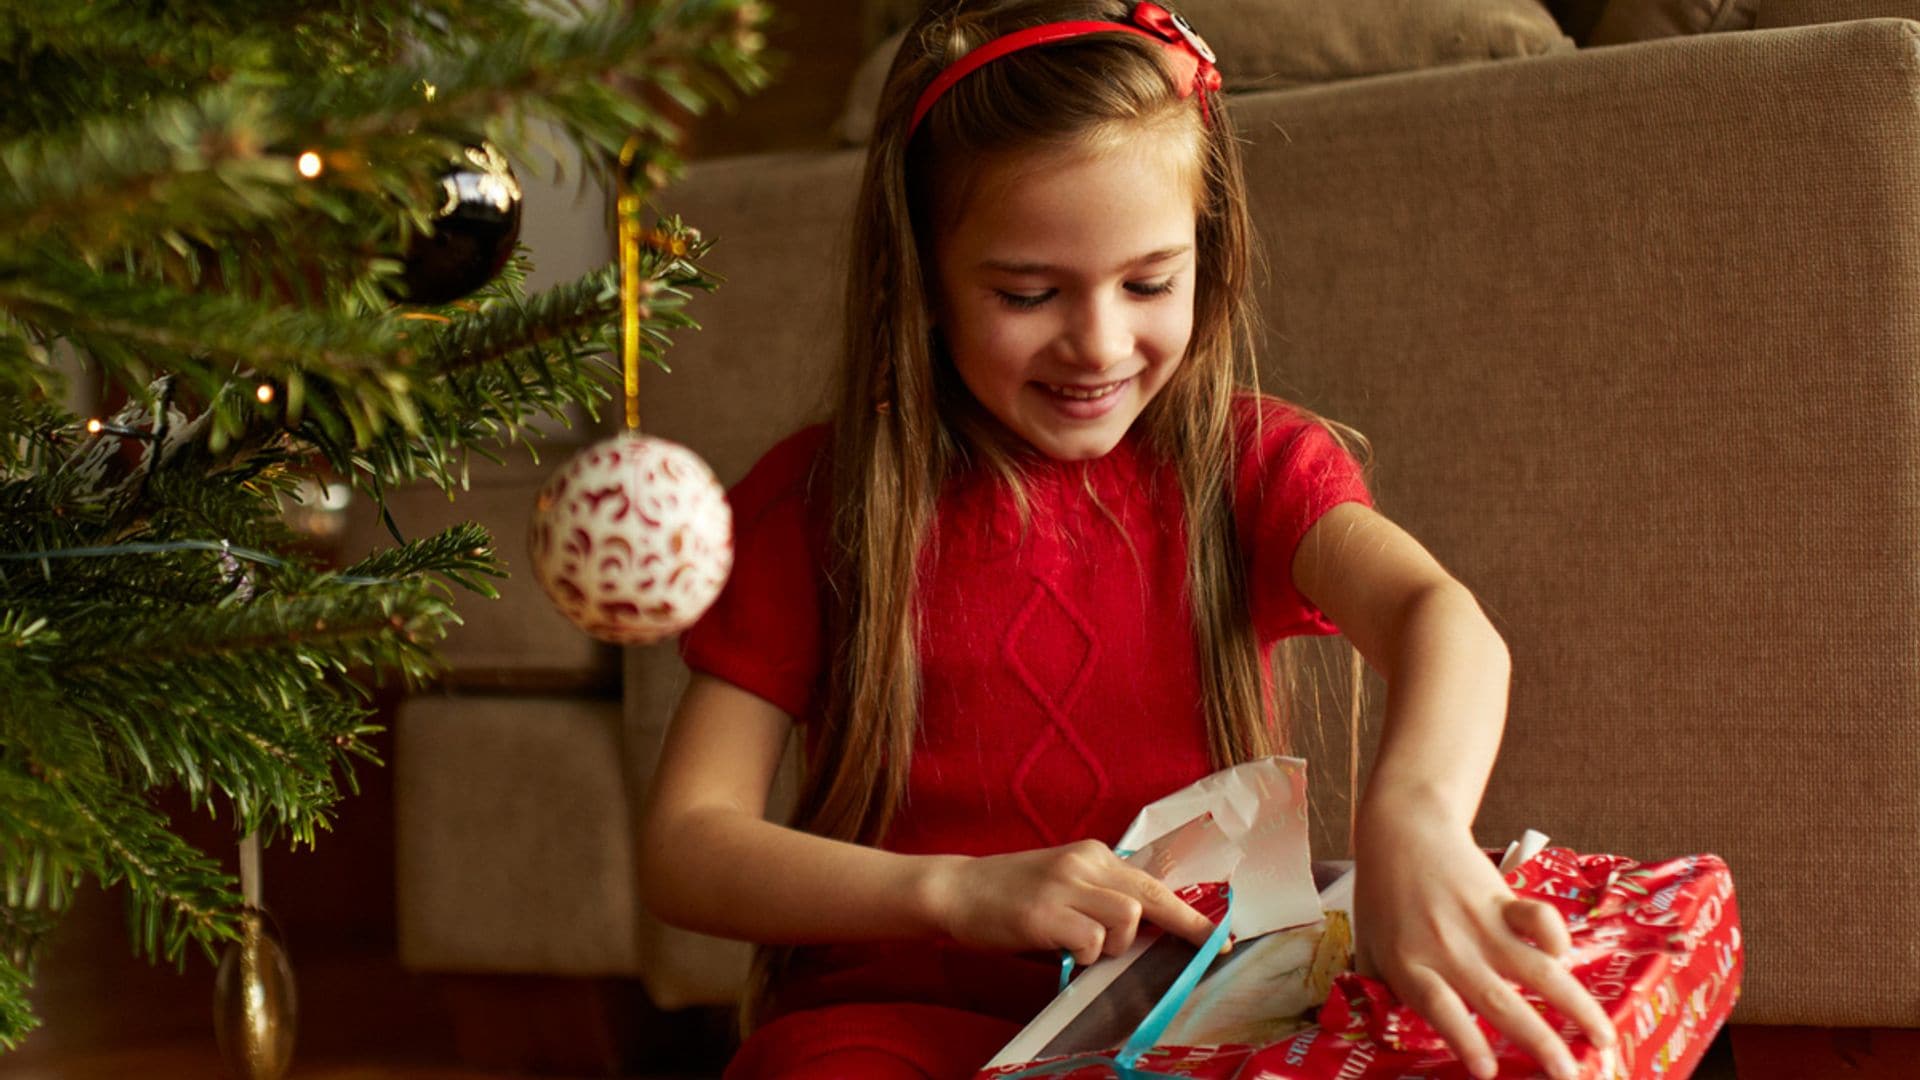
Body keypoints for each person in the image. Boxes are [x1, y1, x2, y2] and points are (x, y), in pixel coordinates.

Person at [637, 2, 1616, 1078]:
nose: (1098, 342)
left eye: (1149, 283)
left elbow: (1443, 619)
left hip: (1195, 1032)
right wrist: (961, 891)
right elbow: (689, 845)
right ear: (921, 274)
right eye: (1026, 292)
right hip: (888, 1028)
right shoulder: (818, 502)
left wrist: (1418, 817)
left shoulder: (1253, 464)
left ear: (1208, 252)